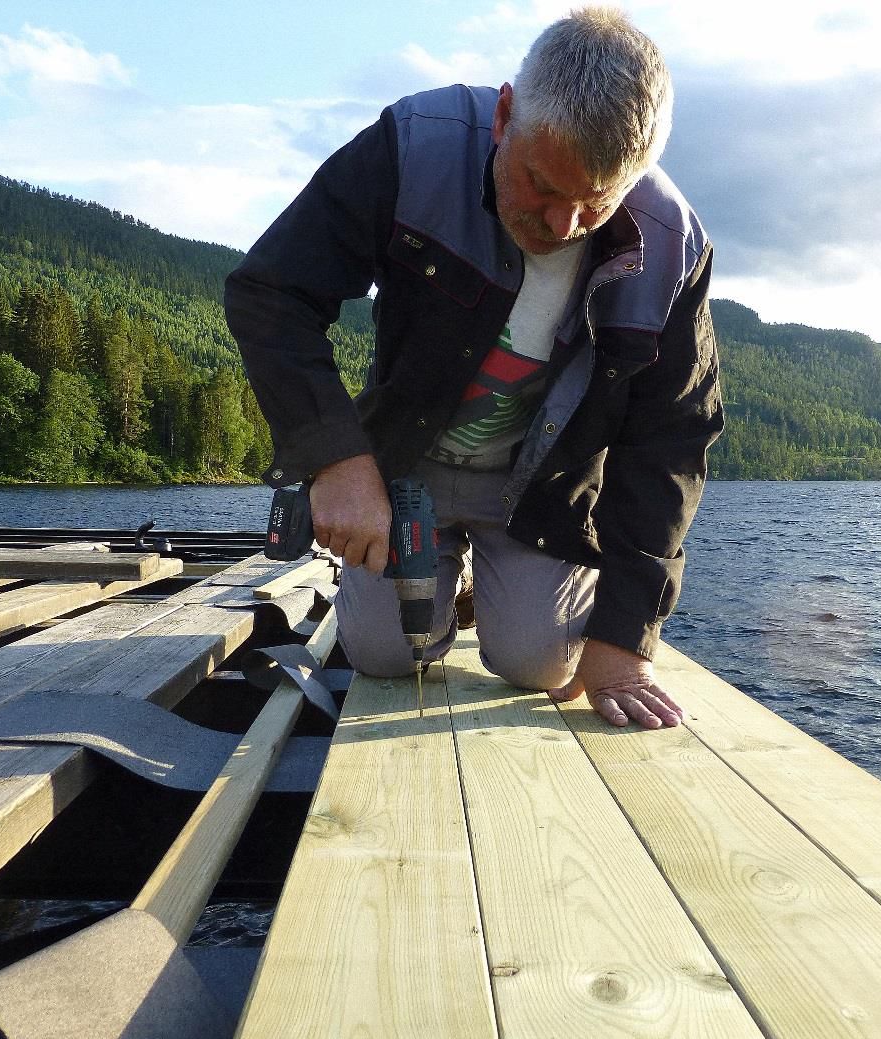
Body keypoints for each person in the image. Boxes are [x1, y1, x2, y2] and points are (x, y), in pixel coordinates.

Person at [227, 7, 722, 729]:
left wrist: (623, 640)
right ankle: (436, 583)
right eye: (542, 186)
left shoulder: (672, 244)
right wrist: (336, 460)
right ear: (503, 115)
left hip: (540, 494)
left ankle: (484, 588)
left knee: (539, 661)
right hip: (405, 470)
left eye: (596, 202)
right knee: (386, 654)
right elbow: (272, 293)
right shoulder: (413, 147)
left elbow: (672, 438)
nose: (562, 227)